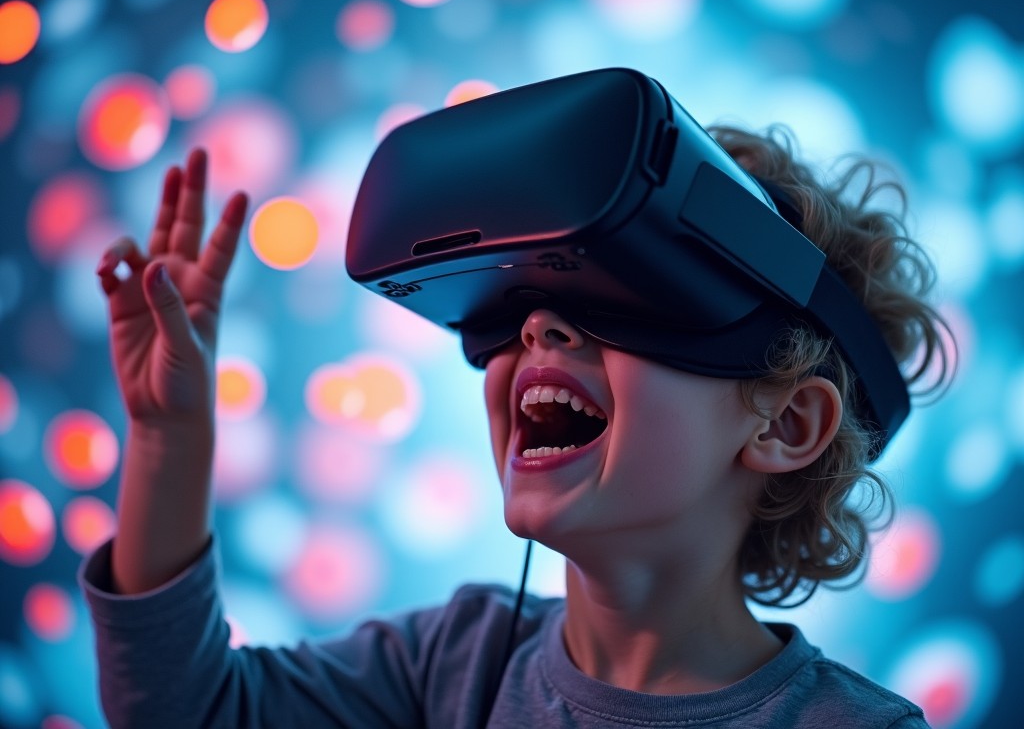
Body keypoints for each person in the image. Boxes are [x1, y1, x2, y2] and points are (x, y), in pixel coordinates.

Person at [82, 117, 951, 727]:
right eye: (513, 303)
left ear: (785, 424)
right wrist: (169, 437)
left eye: (625, 296)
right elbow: (184, 709)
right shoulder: (453, 663)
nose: (538, 326)